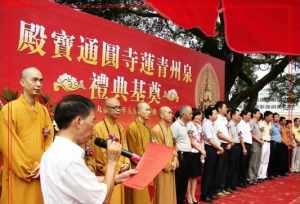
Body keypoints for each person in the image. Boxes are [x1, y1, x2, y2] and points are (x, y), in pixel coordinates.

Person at [40, 95, 137, 204]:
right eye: (92, 121)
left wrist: (116, 178)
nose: (93, 128)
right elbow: (102, 200)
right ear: (78, 121)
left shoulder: (52, 152)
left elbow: (81, 182)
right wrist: (112, 162)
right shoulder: (70, 160)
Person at [0, 67, 54, 204]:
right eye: (34, 80)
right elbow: (9, 145)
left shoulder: (43, 111)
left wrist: (44, 164)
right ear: (22, 82)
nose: (38, 84)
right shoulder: (9, 109)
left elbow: (49, 140)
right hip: (19, 174)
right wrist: (27, 169)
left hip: (40, 172)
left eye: (41, 81)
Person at [85, 97, 130, 204]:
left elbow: (125, 147)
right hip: (105, 174)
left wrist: (126, 163)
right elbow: (96, 154)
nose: (118, 110)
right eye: (115, 107)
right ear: (106, 110)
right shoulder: (97, 128)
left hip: (119, 172)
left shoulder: (120, 127)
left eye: (120, 107)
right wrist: (107, 167)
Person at [126, 102, 152, 204]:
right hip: (136, 167)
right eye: (146, 110)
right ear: (138, 112)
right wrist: (142, 162)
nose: (149, 112)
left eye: (149, 110)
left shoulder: (147, 128)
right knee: (137, 197)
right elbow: (132, 151)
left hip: (146, 166)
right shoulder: (132, 128)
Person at [151, 106, 178, 204]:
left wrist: (175, 161)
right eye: (169, 113)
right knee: (162, 193)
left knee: (170, 192)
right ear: (162, 115)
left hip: (171, 165)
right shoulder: (156, 130)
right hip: (162, 168)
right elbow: (157, 152)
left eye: (172, 112)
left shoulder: (169, 129)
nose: (172, 115)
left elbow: (174, 147)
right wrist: (169, 165)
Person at [171, 105, 193, 204]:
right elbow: (172, 142)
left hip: (188, 155)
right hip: (181, 155)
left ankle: (182, 200)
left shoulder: (187, 125)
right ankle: (177, 200)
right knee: (179, 181)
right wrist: (175, 157)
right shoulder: (175, 125)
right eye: (190, 113)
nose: (192, 115)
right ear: (183, 114)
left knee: (185, 180)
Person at [201, 106, 224, 203]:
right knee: (208, 173)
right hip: (210, 149)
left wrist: (218, 148)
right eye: (215, 113)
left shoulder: (212, 124)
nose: (216, 115)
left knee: (213, 172)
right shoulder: (206, 124)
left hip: (214, 149)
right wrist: (219, 148)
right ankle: (205, 194)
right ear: (210, 115)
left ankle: (210, 193)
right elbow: (210, 140)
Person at [186, 108, 206, 204]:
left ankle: (193, 195)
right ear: (193, 115)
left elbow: (202, 139)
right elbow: (191, 140)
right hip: (191, 153)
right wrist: (201, 150)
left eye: (200, 115)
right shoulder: (189, 125)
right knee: (190, 176)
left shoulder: (199, 126)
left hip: (198, 152)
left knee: (195, 176)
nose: (199, 117)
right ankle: (188, 196)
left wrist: (202, 151)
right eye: (197, 115)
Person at [214, 101, 232, 196]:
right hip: (220, 144)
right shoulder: (216, 119)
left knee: (225, 167)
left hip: (227, 144)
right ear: (219, 109)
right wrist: (230, 141)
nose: (226, 109)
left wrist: (229, 142)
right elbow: (219, 134)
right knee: (219, 168)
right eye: (225, 107)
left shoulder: (225, 119)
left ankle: (222, 187)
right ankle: (217, 189)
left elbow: (227, 131)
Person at [225, 109, 241, 192]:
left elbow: (239, 136)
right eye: (238, 115)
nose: (239, 116)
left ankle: (233, 185)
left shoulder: (236, 125)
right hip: (232, 147)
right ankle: (228, 186)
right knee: (231, 167)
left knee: (235, 167)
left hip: (237, 146)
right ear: (233, 115)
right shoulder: (230, 124)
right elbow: (229, 136)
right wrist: (231, 144)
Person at [237, 110, 252, 187]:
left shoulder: (247, 124)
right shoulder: (240, 124)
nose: (250, 117)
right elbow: (241, 137)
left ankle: (244, 180)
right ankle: (241, 181)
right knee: (242, 164)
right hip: (244, 145)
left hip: (249, 144)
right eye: (249, 115)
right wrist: (243, 148)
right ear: (244, 115)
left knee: (246, 164)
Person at [248, 109, 263, 184]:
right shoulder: (251, 122)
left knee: (258, 161)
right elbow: (250, 133)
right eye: (258, 113)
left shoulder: (257, 123)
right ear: (254, 114)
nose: (259, 115)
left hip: (259, 143)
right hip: (254, 143)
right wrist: (259, 140)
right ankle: (251, 178)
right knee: (253, 161)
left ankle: (255, 177)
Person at [257, 111, 273, 181]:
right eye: (270, 116)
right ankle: (258, 176)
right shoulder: (261, 123)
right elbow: (260, 132)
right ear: (266, 116)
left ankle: (263, 175)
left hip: (269, 142)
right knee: (261, 159)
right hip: (263, 142)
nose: (271, 118)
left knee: (266, 160)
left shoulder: (270, 124)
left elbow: (270, 133)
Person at [268, 113, 282, 178]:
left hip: (279, 142)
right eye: (275, 117)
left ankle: (276, 172)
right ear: (273, 118)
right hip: (273, 142)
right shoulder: (271, 124)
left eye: (278, 117)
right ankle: (270, 174)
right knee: (272, 158)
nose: (277, 118)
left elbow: (280, 133)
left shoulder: (279, 125)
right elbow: (270, 133)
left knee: (278, 158)